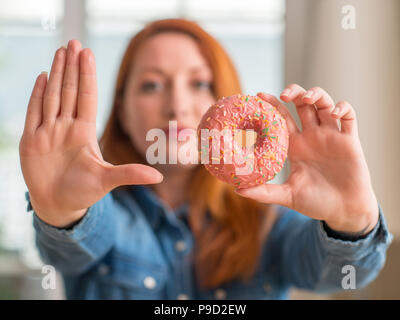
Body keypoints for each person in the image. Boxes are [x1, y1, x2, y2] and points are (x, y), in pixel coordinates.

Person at [19, 18, 392, 300]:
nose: (177, 106)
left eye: (199, 83)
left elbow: (338, 275)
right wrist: (64, 214)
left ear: (224, 96)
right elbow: (73, 250)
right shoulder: (101, 210)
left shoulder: (268, 219)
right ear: (122, 111)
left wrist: (351, 223)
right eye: (151, 84)